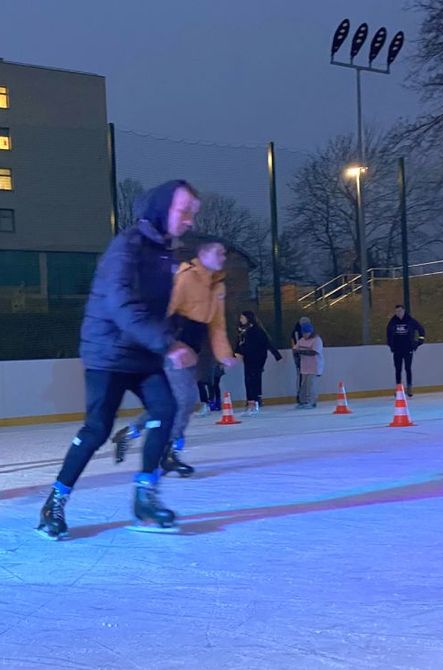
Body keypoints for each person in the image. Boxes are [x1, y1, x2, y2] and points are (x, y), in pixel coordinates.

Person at [37, 180, 201, 540]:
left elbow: (158, 309)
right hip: (108, 351)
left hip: (142, 352)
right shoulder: (126, 247)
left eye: (193, 213)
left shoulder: (165, 254)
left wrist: (173, 331)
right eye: (184, 210)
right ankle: (55, 502)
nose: (190, 220)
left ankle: (145, 498)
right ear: (162, 207)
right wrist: (167, 344)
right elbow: (121, 304)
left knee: (165, 410)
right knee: (97, 429)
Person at [109, 240, 238, 477]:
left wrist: (224, 355)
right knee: (186, 399)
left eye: (224, 254)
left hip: (191, 352)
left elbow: (217, 326)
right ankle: (168, 453)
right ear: (204, 255)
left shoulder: (218, 286)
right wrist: (164, 344)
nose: (223, 256)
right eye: (218, 252)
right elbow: (163, 310)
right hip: (172, 349)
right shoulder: (186, 278)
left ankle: (130, 433)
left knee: (171, 403)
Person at [235, 310, 282, 413]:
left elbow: (267, 342)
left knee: (253, 378)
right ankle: (250, 401)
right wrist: (237, 352)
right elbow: (240, 343)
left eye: (242, 318)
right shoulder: (242, 330)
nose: (241, 320)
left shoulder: (256, 330)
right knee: (248, 379)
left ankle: (254, 401)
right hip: (248, 358)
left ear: (248, 318)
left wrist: (276, 355)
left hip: (257, 357)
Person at [386, 304, 426, 396]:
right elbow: (388, 333)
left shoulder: (410, 321)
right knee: (398, 369)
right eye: (396, 312)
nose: (398, 313)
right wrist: (390, 344)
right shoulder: (393, 322)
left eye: (400, 311)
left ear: (403, 311)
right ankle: (399, 388)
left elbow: (421, 329)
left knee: (408, 368)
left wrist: (419, 341)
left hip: (408, 348)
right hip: (397, 349)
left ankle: (409, 387)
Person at [294, 321, 325, 408]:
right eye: (303, 333)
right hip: (305, 367)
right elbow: (296, 349)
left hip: (315, 367)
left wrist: (301, 351)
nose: (305, 335)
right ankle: (303, 401)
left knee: (311, 384)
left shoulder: (317, 340)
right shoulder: (301, 340)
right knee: (303, 385)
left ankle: (312, 401)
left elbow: (314, 352)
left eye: (306, 333)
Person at [289, 316, 311, 391]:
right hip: (300, 356)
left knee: (304, 375)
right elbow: (296, 345)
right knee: (302, 375)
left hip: (302, 355)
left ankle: (303, 393)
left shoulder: (299, 332)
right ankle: (301, 393)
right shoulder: (297, 332)